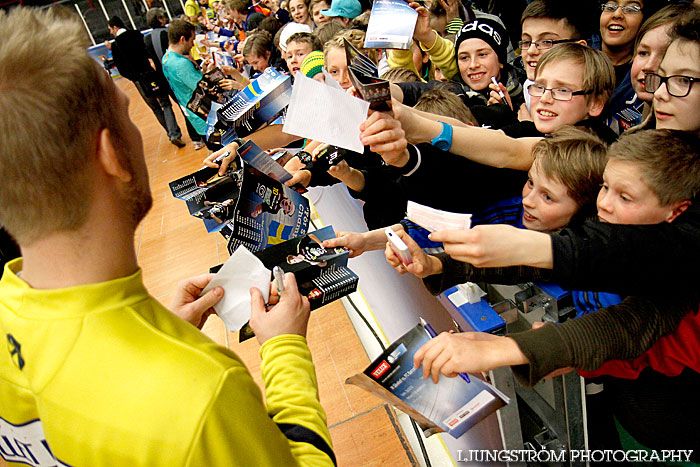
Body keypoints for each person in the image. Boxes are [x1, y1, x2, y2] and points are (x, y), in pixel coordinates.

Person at [0, 7, 335, 466]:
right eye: (126, 116)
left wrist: (160, 336)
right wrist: (284, 349)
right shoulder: (203, 396)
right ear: (110, 155)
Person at [106, 16, 185, 148]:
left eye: (110, 29)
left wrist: (135, 78)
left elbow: (121, 69)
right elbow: (148, 53)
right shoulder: (137, 34)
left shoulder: (116, 45)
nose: (110, 32)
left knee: (155, 107)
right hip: (152, 75)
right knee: (165, 103)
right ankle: (174, 133)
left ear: (115, 27)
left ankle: (171, 133)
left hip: (139, 81)